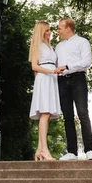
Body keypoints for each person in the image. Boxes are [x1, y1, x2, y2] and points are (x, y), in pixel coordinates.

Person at [54, 18, 92, 160]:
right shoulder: (58, 46)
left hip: (78, 79)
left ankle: (89, 149)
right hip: (62, 81)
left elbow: (86, 62)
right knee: (67, 117)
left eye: (60, 27)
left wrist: (67, 67)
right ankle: (72, 152)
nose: (58, 30)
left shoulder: (82, 42)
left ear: (68, 28)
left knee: (83, 113)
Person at [29, 20, 61, 161]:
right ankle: (44, 150)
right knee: (45, 113)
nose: (49, 32)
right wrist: (52, 71)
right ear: (41, 31)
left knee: (46, 114)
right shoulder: (38, 45)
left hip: (51, 78)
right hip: (45, 78)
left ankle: (39, 150)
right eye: (47, 30)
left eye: (50, 30)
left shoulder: (49, 46)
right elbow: (34, 67)